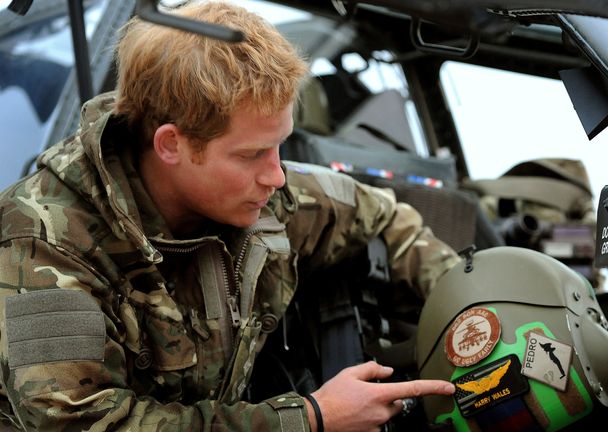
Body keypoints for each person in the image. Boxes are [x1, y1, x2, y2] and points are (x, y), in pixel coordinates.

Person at [0, 1, 459, 430]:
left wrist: (473, 316)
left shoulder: (269, 198)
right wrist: (310, 418)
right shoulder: (43, 244)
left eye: (279, 145)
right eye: (253, 153)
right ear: (171, 145)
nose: (277, 175)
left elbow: (383, 217)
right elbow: (83, 422)